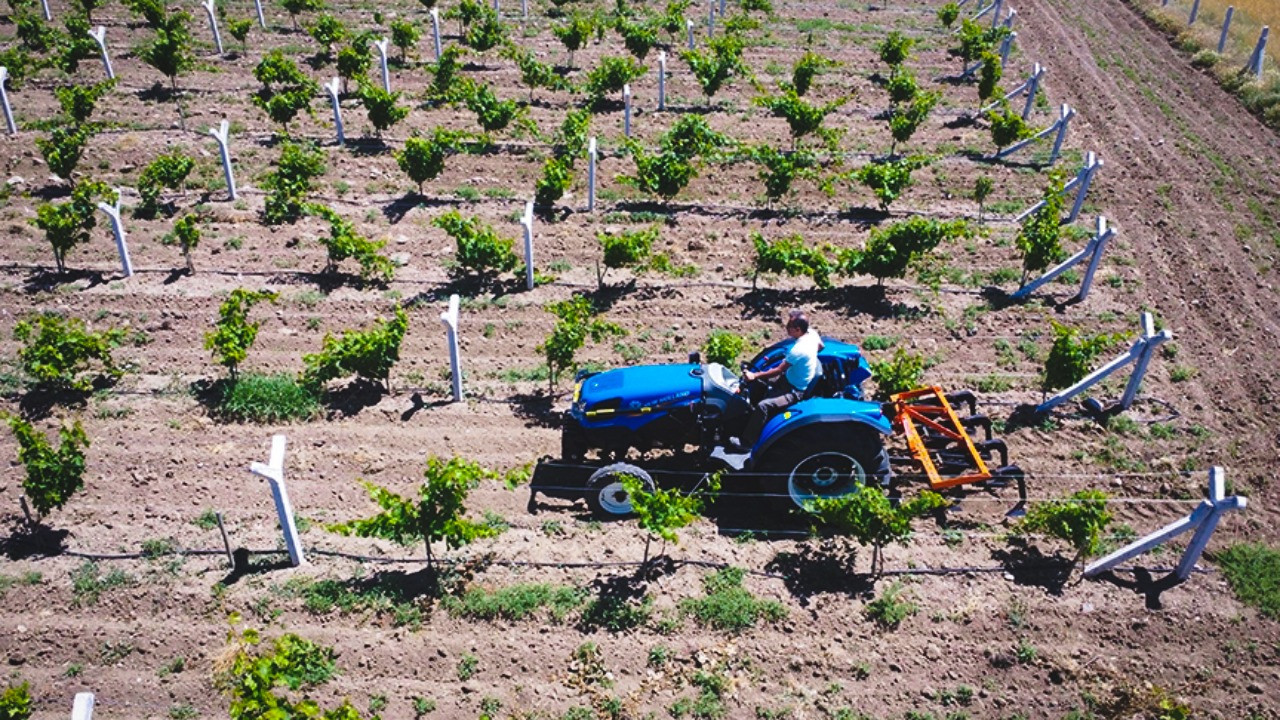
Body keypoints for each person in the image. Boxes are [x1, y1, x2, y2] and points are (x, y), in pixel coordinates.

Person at [736, 310, 822, 449]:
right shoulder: (812, 334)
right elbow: (821, 346)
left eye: (789, 327)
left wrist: (754, 375)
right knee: (759, 383)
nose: (786, 329)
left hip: (795, 391)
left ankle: (746, 443)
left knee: (763, 406)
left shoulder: (799, 350)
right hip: (790, 378)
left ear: (798, 329)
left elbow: (778, 370)